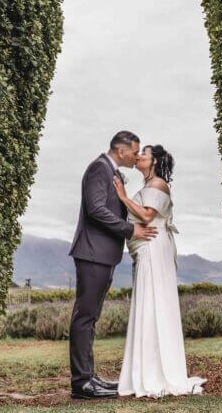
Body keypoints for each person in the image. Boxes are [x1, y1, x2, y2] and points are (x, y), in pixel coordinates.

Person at [67, 130, 158, 400]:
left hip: (102, 255)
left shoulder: (112, 172)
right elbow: (96, 209)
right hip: (92, 253)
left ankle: (89, 376)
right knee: (84, 317)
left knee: (90, 317)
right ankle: (81, 383)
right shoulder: (99, 168)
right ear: (122, 151)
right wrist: (130, 230)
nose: (137, 156)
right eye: (135, 151)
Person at [114, 144, 207, 398]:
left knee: (153, 304)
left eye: (144, 153)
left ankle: (157, 374)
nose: (140, 156)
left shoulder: (158, 184)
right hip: (146, 251)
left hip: (154, 250)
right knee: (147, 306)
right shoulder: (148, 185)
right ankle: (145, 371)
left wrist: (123, 197)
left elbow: (146, 215)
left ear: (154, 161)